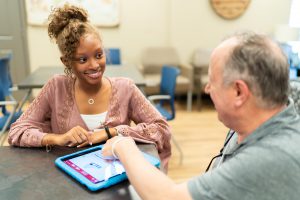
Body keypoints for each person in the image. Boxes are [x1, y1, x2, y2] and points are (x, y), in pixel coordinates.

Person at [102, 31, 300, 200]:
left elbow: (165, 197)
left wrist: (123, 145)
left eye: (212, 81)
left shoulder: (268, 158)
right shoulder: (252, 126)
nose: (206, 89)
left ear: (239, 92)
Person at [8, 4, 171, 168]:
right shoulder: (56, 87)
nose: (94, 65)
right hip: (67, 179)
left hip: (115, 180)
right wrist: (57, 138)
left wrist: (112, 131)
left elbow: (162, 129)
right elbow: (16, 131)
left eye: (99, 55)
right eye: (82, 60)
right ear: (67, 62)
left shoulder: (125, 88)